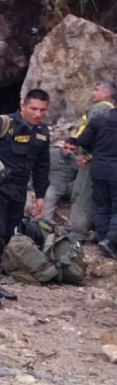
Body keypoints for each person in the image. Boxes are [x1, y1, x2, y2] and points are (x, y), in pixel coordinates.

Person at [0, 89, 51, 308]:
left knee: (5, 235)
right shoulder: (3, 123)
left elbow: (42, 167)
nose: (37, 114)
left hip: (18, 191)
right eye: (33, 108)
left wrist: (41, 196)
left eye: (42, 110)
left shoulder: (42, 132)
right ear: (22, 106)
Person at [69, 81, 117, 259]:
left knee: (101, 205)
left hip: (98, 167)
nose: (93, 92)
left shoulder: (99, 117)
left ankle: (102, 240)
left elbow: (83, 140)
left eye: (96, 89)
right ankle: (111, 241)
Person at [42, 141, 79, 225]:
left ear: (76, 150)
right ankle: (46, 221)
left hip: (69, 187)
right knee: (49, 196)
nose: (68, 151)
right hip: (53, 185)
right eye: (65, 148)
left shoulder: (78, 160)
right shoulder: (51, 154)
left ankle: (74, 224)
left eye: (72, 149)